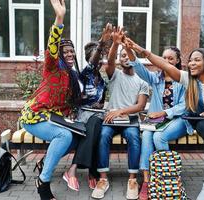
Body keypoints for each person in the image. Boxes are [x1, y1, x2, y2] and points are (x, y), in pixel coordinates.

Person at [124, 38, 204, 200]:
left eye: (197, 60)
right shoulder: (186, 79)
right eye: (190, 60)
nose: (192, 63)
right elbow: (159, 65)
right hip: (203, 121)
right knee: (200, 127)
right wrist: (136, 49)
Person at [19, 0, 81, 199]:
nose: (70, 54)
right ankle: (43, 181)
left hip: (52, 118)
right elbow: (52, 46)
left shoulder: (71, 76)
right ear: (60, 56)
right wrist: (60, 18)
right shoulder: (53, 67)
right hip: (34, 117)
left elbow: (64, 104)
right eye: (66, 52)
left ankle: (44, 164)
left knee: (77, 136)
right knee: (64, 137)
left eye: (72, 51)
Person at [124, 46, 193, 199]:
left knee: (158, 137)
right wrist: (127, 48)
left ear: (177, 61)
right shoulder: (156, 78)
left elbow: (185, 105)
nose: (166, 61)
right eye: (164, 57)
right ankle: (148, 181)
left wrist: (164, 112)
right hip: (157, 121)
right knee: (148, 134)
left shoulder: (183, 79)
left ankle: (169, 177)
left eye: (170, 58)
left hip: (179, 119)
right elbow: (138, 67)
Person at [91, 27, 149, 200]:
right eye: (122, 55)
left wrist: (120, 111)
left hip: (130, 120)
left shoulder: (142, 80)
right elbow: (109, 62)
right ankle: (103, 179)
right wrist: (115, 43)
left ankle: (132, 179)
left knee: (133, 138)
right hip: (111, 120)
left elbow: (140, 106)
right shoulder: (114, 74)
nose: (125, 57)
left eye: (128, 54)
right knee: (103, 136)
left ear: (133, 58)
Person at [62, 23, 113, 191]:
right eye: (97, 58)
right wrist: (101, 44)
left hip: (97, 115)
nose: (100, 61)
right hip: (84, 116)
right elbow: (93, 60)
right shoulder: (85, 73)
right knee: (94, 126)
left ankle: (90, 172)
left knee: (97, 128)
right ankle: (77, 169)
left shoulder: (103, 79)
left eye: (102, 58)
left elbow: (101, 101)